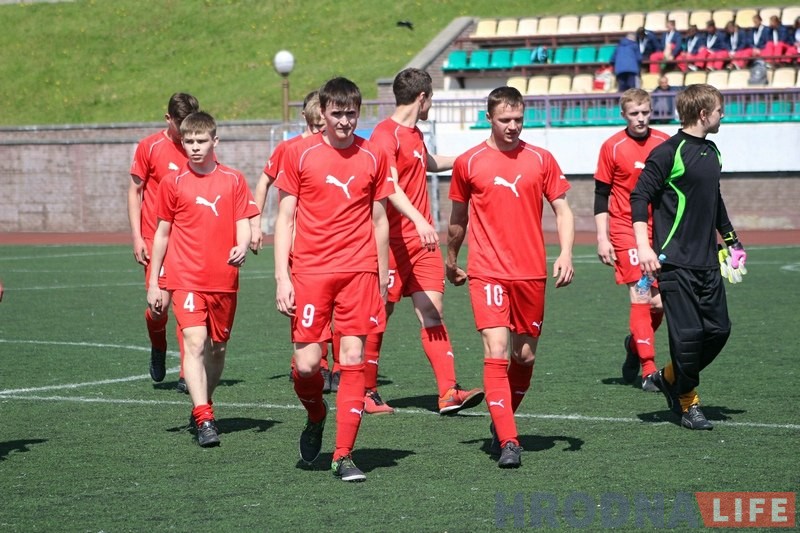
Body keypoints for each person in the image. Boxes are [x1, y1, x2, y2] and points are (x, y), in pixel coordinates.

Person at [274, 76, 437, 482]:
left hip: (360, 272)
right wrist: (282, 277)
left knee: (352, 362)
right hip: (311, 272)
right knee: (308, 364)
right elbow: (285, 218)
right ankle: (316, 414)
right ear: (323, 113)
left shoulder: (372, 155)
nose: (345, 122)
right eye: (337, 114)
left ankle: (343, 454)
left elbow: (380, 220)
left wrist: (381, 276)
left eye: (351, 114)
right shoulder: (299, 154)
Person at [446, 86, 574, 468]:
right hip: (488, 271)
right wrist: (451, 260)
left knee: (525, 355)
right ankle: (510, 441)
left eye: (518, 119)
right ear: (489, 118)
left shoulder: (541, 158)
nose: (513, 127)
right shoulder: (469, 162)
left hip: (531, 272)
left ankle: (500, 421)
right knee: (496, 351)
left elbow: (563, 210)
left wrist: (566, 253)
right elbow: (457, 221)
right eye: (505, 120)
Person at [363, 67, 484, 416]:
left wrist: (467, 158)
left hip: (421, 244)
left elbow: (427, 163)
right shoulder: (385, 136)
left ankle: (448, 392)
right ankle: (366, 390)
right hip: (390, 242)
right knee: (378, 315)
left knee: (433, 312)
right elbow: (390, 185)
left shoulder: (414, 133)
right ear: (422, 98)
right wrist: (417, 218)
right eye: (431, 98)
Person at [631, 84, 746, 431]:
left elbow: (715, 201)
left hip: (708, 261)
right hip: (674, 262)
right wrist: (644, 247)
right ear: (703, 113)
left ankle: (669, 376)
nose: (722, 115)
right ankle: (688, 403)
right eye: (719, 110)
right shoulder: (668, 152)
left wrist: (731, 242)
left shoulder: (714, 153)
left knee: (719, 330)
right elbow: (639, 197)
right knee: (688, 336)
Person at [147, 111, 259, 446]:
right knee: (195, 342)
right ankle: (205, 417)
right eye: (189, 142)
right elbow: (162, 234)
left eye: (201, 141)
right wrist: (155, 280)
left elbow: (243, 219)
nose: (195, 147)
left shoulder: (233, 179)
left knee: (218, 349)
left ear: (215, 141)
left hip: (223, 279)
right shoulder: (173, 183)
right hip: (186, 278)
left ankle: (202, 404)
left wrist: (241, 245)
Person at [248, 91, 340, 392]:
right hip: (296, 241)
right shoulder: (290, 149)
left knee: (335, 304)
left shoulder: (334, 150)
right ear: (306, 119)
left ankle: (333, 364)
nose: (319, 132)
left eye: (321, 126)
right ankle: (311, 363)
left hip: (326, 242)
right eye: (315, 126)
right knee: (300, 303)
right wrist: (256, 222)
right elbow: (263, 181)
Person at [594, 89, 670, 392]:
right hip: (626, 230)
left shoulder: (665, 143)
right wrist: (603, 238)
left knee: (660, 303)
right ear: (623, 115)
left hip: (660, 232)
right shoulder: (612, 147)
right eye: (634, 113)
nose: (640, 119)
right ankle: (649, 368)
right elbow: (601, 196)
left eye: (645, 112)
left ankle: (634, 344)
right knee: (640, 295)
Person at [128, 92, 199, 393]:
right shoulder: (150, 147)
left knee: (188, 308)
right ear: (168, 119)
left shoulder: (198, 146)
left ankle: (187, 373)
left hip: (187, 242)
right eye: (181, 124)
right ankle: (158, 344)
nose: (187, 132)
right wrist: (136, 237)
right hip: (154, 238)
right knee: (159, 308)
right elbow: (135, 192)